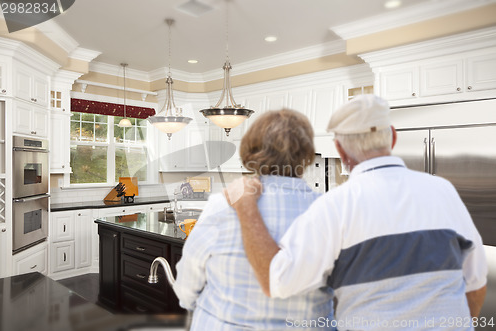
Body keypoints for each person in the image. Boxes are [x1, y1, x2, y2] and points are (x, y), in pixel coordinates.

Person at [225, 95, 488, 331]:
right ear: (393, 137)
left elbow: (277, 281)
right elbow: (475, 286)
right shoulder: (443, 191)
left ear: (340, 149)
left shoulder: (334, 207)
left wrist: (246, 206)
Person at [173, 109, 335, 330]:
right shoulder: (331, 212)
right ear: (306, 154)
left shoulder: (222, 205)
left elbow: (188, 281)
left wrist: (193, 304)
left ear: (250, 151)